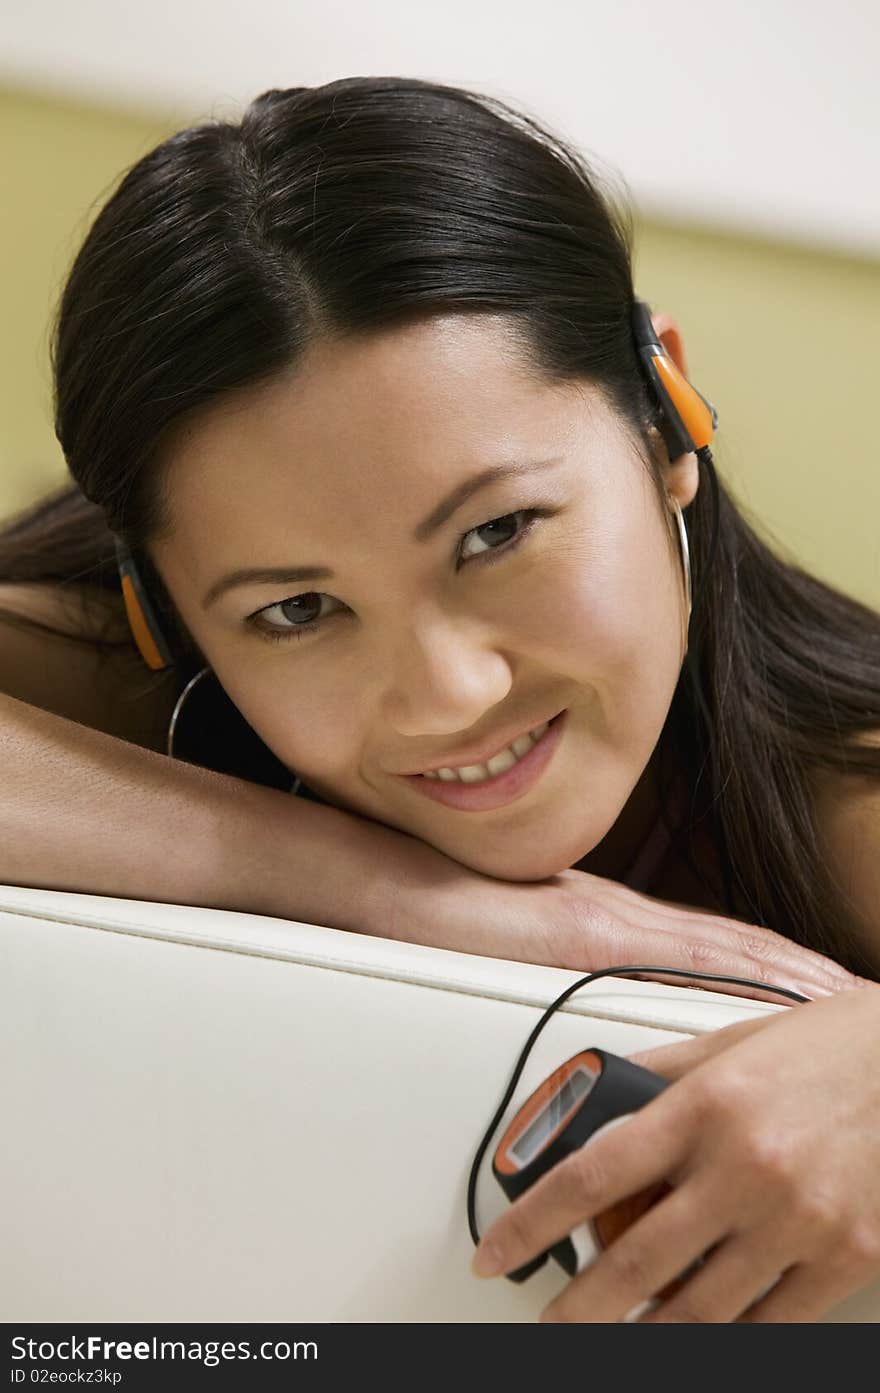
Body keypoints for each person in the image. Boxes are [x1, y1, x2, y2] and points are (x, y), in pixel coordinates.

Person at [1, 76, 878, 1321]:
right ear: (166, 615)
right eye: (296, 611)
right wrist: (361, 881)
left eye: (498, 531)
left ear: (667, 417)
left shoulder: (834, 788)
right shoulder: (155, 687)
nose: (445, 695)